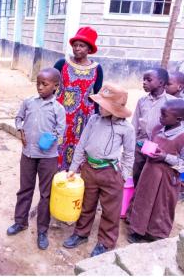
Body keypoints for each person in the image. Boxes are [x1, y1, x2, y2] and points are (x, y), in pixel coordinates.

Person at [63, 82, 135, 257]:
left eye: (104, 105)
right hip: (89, 168)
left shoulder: (127, 129)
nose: (99, 107)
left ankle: (105, 242)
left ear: (115, 108)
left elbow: (129, 155)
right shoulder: (94, 120)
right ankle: (81, 233)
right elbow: (81, 145)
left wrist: (123, 176)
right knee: (86, 204)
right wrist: (74, 167)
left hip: (110, 172)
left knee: (111, 211)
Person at [6, 68, 65, 250]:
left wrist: (51, 138)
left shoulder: (58, 108)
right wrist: (21, 130)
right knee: (25, 188)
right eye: (38, 83)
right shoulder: (29, 102)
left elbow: (61, 131)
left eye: (44, 84)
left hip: (48, 157)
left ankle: (42, 230)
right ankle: (20, 221)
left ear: (55, 86)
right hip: (28, 154)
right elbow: (19, 118)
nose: (39, 87)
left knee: (46, 194)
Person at [128, 99, 184, 243]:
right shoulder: (157, 128)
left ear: (179, 119)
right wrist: (145, 148)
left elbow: (182, 165)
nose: (160, 118)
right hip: (149, 173)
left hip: (167, 180)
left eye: (164, 115)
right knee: (143, 200)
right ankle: (137, 230)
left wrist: (165, 157)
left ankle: (155, 234)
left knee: (162, 206)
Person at [54, 26, 104, 170]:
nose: (77, 49)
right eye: (75, 45)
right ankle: (56, 176)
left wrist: (97, 118)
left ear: (89, 49)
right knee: (58, 145)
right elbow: (51, 86)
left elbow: (97, 94)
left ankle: (74, 178)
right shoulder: (62, 64)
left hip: (83, 118)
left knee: (80, 147)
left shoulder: (96, 69)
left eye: (81, 46)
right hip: (62, 114)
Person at [132, 68, 176, 187]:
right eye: (143, 80)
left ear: (161, 83)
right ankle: (135, 199)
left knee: (152, 176)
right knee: (137, 173)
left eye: (149, 80)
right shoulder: (142, 101)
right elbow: (135, 123)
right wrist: (132, 143)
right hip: (141, 145)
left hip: (160, 149)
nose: (144, 82)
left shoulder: (172, 102)